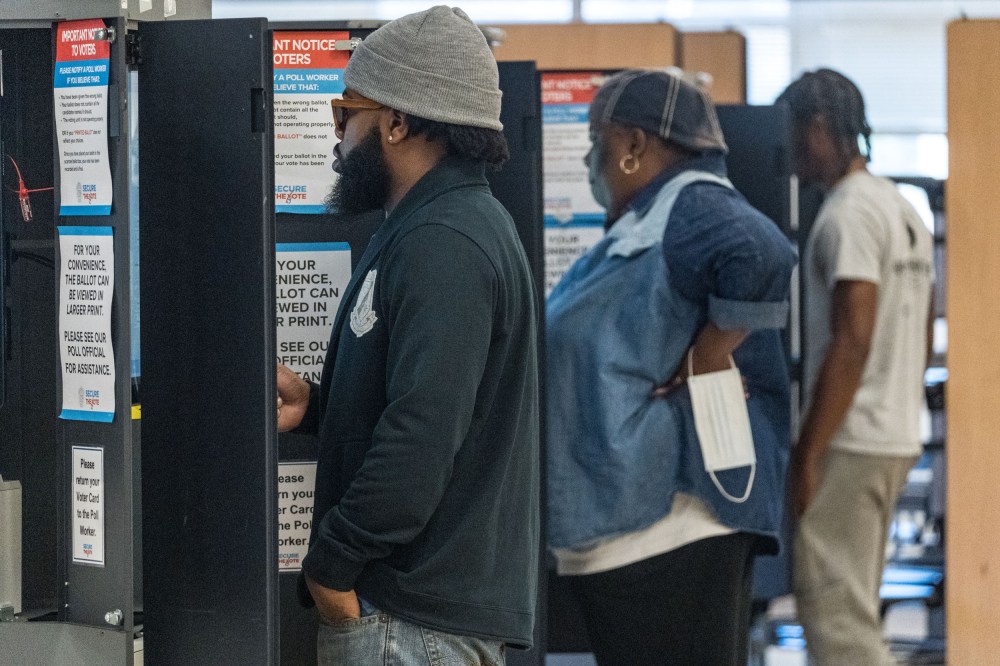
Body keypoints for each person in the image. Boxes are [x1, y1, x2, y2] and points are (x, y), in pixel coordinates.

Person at [275, 6, 540, 665]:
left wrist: (330, 569)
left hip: (411, 625)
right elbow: (425, 402)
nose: (335, 135)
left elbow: (420, 437)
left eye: (345, 113)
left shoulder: (444, 241)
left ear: (397, 121)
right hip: (415, 621)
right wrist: (318, 406)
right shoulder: (434, 227)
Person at [545, 68, 797, 666]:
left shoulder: (694, 205)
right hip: (633, 525)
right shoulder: (648, 222)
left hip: (673, 524)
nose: (589, 159)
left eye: (596, 139)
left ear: (634, 145)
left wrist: (709, 353)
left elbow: (760, 249)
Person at [777, 69, 935, 665]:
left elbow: (853, 335)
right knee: (854, 609)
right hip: (892, 434)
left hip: (850, 440)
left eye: (793, 132)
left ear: (819, 129)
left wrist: (809, 452)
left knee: (836, 621)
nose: (788, 149)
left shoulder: (847, 214)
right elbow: (920, 326)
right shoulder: (902, 209)